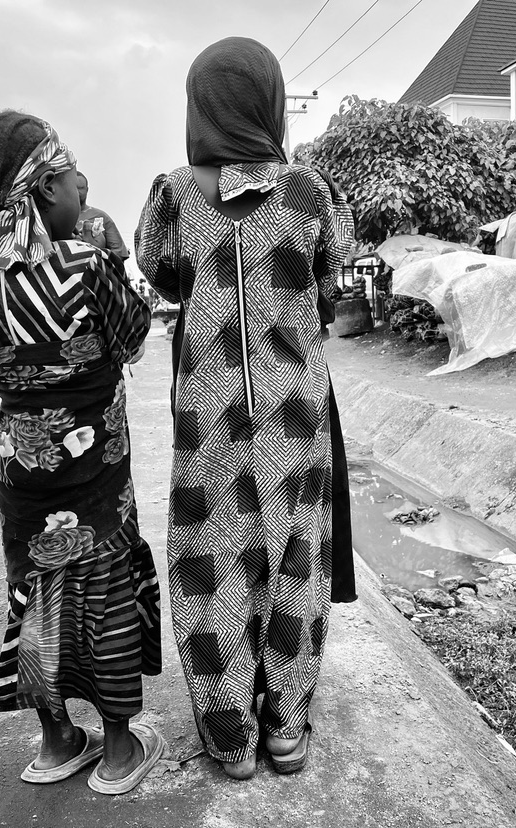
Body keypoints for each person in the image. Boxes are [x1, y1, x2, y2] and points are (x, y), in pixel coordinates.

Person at [135, 37, 356, 781]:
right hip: (298, 411)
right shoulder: (310, 191)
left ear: (199, 102)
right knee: (298, 562)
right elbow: (330, 290)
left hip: (210, 414)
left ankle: (229, 741)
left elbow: (164, 279)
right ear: (268, 98)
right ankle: (286, 731)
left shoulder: (171, 194)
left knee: (213, 566)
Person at [0, 110, 164, 795]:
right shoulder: (88, 264)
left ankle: (57, 740)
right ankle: (121, 751)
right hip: (95, 473)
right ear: (43, 191)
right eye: (71, 177)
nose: (83, 186)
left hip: (22, 474)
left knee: (37, 597)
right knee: (106, 593)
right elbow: (130, 337)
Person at [75, 171, 130, 261]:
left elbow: (119, 252)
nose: (77, 192)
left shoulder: (100, 217)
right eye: (73, 188)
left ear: (87, 190)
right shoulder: (57, 217)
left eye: (81, 188)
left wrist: (98, 255)